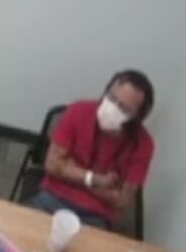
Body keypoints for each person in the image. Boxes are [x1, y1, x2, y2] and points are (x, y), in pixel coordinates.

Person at [29, 69, 156, 230]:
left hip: (96, 215)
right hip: (54, 196)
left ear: (137, 117)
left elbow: (122, 201)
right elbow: (53, 165)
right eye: (111, 98)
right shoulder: (78, 110)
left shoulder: (143, 144)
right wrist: (96, 180)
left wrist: (71, 170)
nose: (112, 108)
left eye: (124, 109)